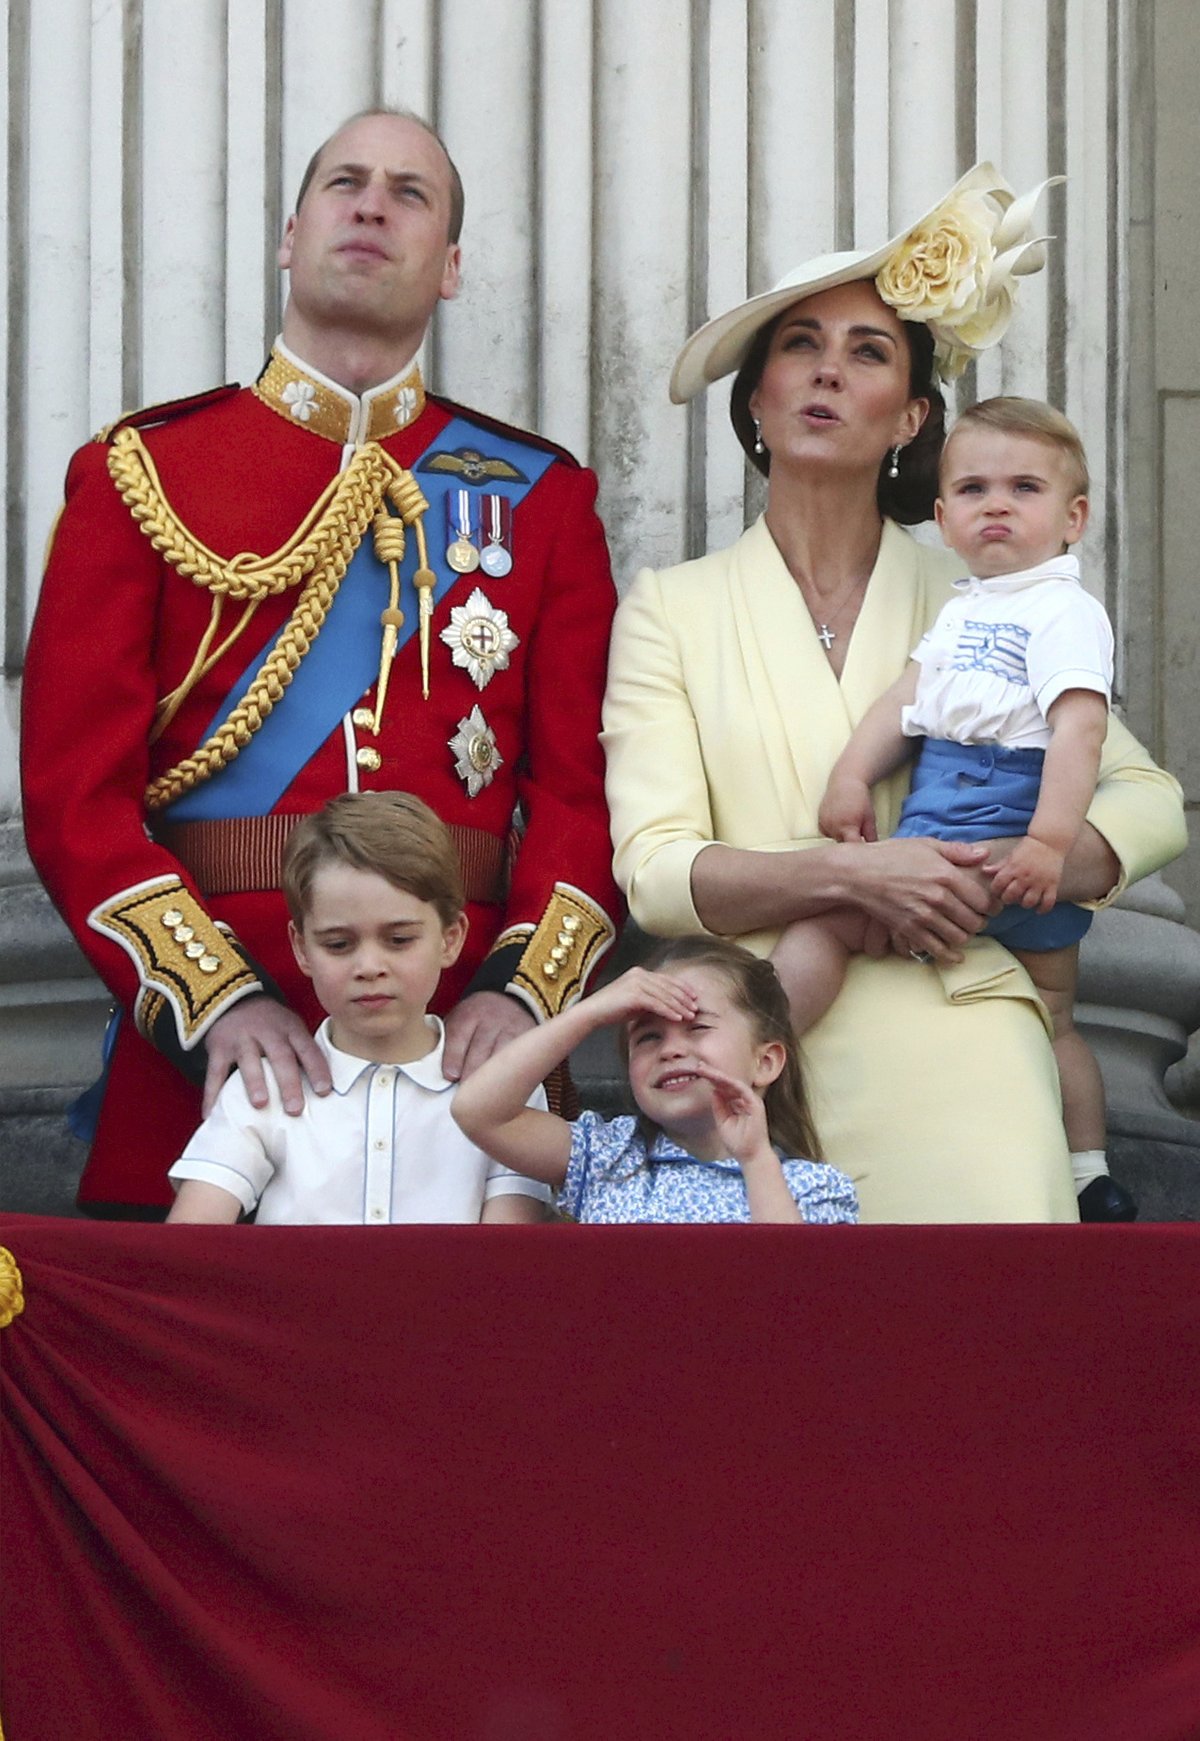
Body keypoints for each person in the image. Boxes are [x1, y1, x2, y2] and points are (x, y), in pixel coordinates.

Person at [21, 108, 621, 1215]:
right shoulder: (142, 472)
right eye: (346, 182)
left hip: (464, 1040)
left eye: (411, 192)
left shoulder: (541, 498)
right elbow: (74, 799)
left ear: (448, 266)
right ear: (292, 235)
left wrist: (521, 997)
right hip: (210, 1047)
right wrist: (215, 1003)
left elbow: (582, 798)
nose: (372, 204)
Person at [601, 163, 1187, 1224]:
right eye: (799, 347)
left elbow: (1141, 795)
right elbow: (657, 873)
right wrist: (859, 875)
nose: (827, 373)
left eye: (866, 352)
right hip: (770, 1061)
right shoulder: (667, 608)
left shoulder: (988, 597)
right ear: (760, 401)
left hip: (970, 1031)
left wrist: (1036, 865)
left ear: (912, 415)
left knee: (997, 1364)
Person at [771, 397, 1125, 1217]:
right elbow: (908, 699)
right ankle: (1087, 1173)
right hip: (957, 801)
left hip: (996, 813)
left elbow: (1080, 731)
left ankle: (759, 1041)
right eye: (972, 489)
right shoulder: (967, 608)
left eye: (1024, 488)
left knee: (832, 921)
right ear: (941, 516)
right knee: (1053, 1013)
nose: (996, 504)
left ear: (1074, 517)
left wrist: (1046, 842)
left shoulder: (1064, 610)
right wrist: (851, 778)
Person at [166, 792, 550, 1225]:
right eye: (339, 945)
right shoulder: (265, 1091)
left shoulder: (504, 1086)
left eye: (399, 940)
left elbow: (508, 1258)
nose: (369, 967)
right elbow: (191, 1242)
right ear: (302, 947)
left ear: (451, 938)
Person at [452, 935, 858, 1224]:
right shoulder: (606, 1155)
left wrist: (756, 1161)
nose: (670, 1050)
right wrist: (591, 1012)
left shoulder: (813, 1188)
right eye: (647, 1036)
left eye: (697, 1028)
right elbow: (477, 1111)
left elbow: (796, 1290)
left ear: (765, 1062)